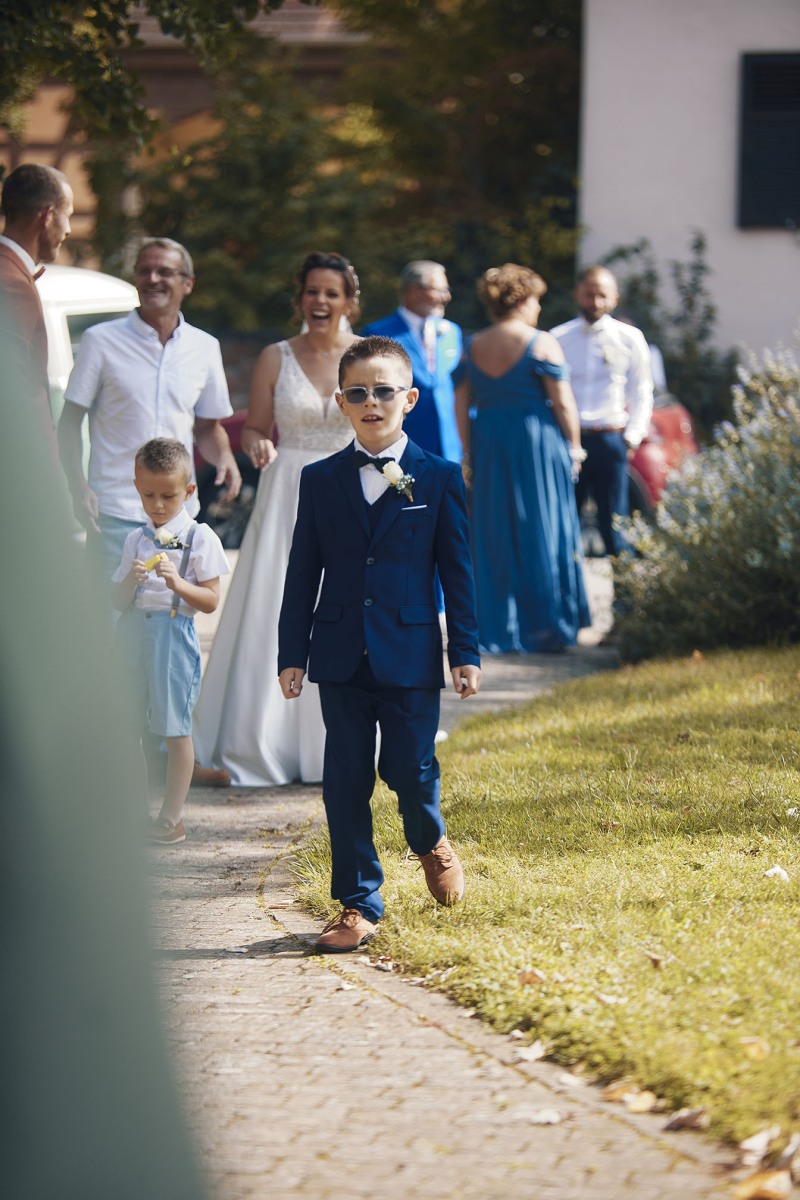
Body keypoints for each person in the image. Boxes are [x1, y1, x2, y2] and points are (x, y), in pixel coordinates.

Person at [277, 335, 481, 952]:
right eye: (358, 392)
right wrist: (292, 653)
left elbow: (457, 573)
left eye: (384, 391)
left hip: (410, 650)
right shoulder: (319, 480)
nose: (372, 402)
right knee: (345, 779)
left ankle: (429, 839)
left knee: (409, 770)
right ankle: (358, 902)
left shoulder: (438, 477)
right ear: (341, 402)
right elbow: (302, 571)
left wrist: (464, 651)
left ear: (409, 399)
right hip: (339, 652)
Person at [192, 251, 361, 786]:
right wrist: (257, 443)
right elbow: (254, 428)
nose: (320, 301)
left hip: (351, 488)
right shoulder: (275, 356)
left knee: (342, 600)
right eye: (312, 291)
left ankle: (342, 738)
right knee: (278, 598)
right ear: (299, 298)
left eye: (331, 292)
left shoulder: (367, 355)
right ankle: (262, 738)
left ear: (348, 301)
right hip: (288, 487)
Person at [58, 236, 241, 588]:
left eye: (164, 272)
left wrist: (225, 459)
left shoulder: (205, 348)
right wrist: (77, 487)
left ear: (188, 283)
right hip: (114, 513)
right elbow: (69, 423)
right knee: (110, 617)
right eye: (144, 271)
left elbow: (207, 427)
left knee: (170, 614)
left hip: (179, 517)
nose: (152, 279)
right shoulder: (99, 341)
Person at [454, 264, 591, 654]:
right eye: (536, 300)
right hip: (536, 442)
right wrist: (575, 446)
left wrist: (469, 452)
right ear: (522, 300)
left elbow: (460, 406)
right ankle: (545, 626)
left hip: (490, 442)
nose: (538, 308)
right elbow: (563, 403)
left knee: (495, 531)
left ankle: (499, 625)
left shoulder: (473, 345)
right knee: (544, 525)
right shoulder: (542, 342)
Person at [111, 439, 230, 845]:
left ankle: (171, 817)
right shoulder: (135, 539)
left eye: (168, 496)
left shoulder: (200, 537)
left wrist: (179, 583)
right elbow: (116, 600)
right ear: (136, 487)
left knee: (174, 728)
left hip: (173, 635)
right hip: (131, 635)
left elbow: (210, 600)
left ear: (189, 491)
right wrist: (130, 582)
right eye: (148, 495)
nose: (157, 505)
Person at [550, 266, 654, 557]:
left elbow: (642, 390)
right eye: (589, 294)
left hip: (610, 438)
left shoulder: (629, 338)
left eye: (602, 295)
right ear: (577, 295)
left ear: (614, 298)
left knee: (615, 523)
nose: (595, 302)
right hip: (569, 440)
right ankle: (567, 584)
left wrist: (632, 437)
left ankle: (622, 584)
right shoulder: (558, 338)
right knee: (564, 520)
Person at [0, 162, 73, 463]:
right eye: (67, 215)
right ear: (48, 215)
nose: (68, 229)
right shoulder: (11, 282)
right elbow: (15, 401)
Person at [362, 260, 463, 461]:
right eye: (439, 290)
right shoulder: (378, 333)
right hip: (402, 446)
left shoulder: (452, 332)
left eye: (447, 290)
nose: (447, 297)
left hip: (450, 448)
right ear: (412, 291)